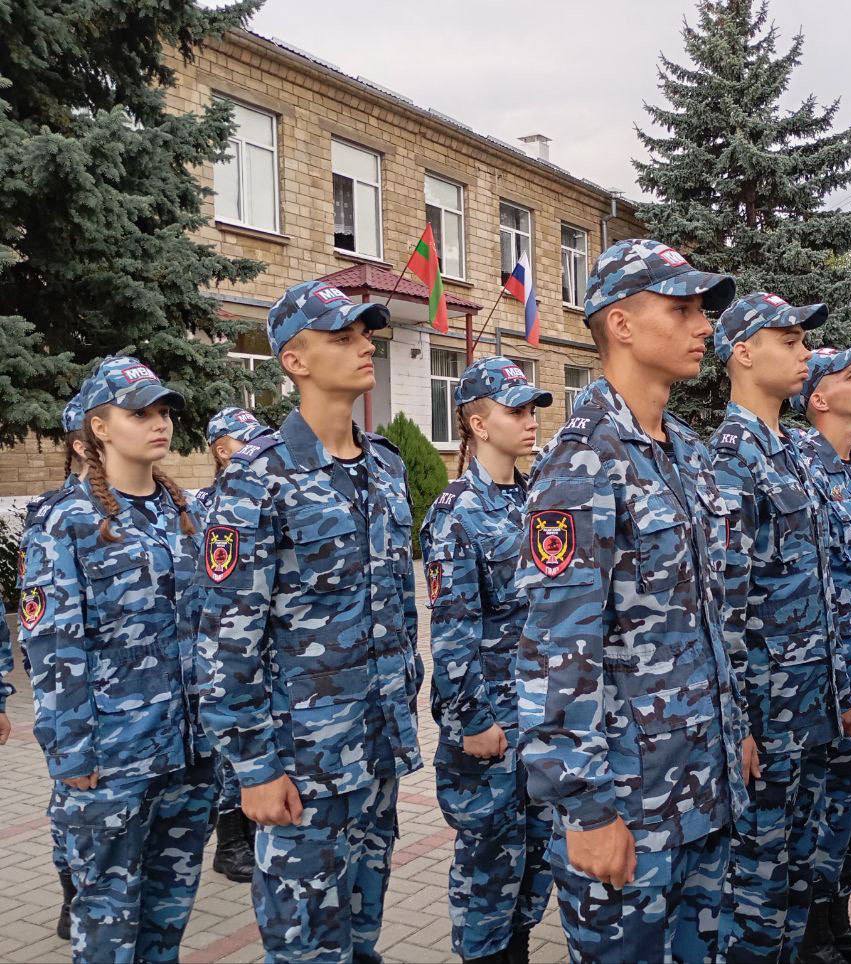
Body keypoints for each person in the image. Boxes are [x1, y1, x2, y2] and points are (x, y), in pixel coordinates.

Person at [515, 239, 747, 964]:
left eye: (703, 311)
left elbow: (707, 614)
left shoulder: (686, 451)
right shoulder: (581, 460)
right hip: (628, 800)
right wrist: (585, 808)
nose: (703, 326)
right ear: (620, 324)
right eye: (681, 310)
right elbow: (558, 648)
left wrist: (734, 730)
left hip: (702, 784)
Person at [196, 280, 424, 963]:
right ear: (294, 361)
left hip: (376, 751)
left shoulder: (384, 466)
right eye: (342, 337)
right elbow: (227, 640)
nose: (365, 347)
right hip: (301, 766)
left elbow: (400, 609)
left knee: (362, 938)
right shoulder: (257, 477)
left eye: (365, 334)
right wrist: (253, 768)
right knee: (304, 949)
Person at [17, 356, 214, 963]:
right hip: (112, 762)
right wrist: (72, 753)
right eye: (139, 413)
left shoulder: (186, 513)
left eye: (164, 412)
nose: (159, 423)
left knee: (166, 924)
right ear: (99, 428)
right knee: (107, 930)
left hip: (190, 755)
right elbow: (54, 647)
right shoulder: (67, 521)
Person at [710, 293, 851, 963]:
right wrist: (737, 723)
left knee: (799, 867)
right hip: (768, 717)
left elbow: (822, 586)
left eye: (804, 341)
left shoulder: (792, 451)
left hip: (811, 707)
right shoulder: (732, 459)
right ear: (743, 353)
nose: (805, 353)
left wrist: (839, 691)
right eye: (789, 341)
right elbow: (727, 605)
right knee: (756, 883)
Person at [421, 357, 555, 964]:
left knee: (536, 863)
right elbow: (452, 634)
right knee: (488, 871)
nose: (530, 421)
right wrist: (472, 720)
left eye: (532, 410)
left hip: (542, 718)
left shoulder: (538, 501)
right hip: (493, 724)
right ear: (477, 424)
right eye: (515, 410)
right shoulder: (457, 512)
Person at [791, 343, 851, 964]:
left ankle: (837, 917)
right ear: (819, 399)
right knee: (820, 810)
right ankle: (811, 933)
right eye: (850, 375)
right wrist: (840, 685)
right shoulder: (804, 471)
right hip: (829, 678)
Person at [16, 390, 92, 940]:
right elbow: (40, 625)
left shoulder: (162, 508)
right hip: (73, 699)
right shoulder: (54, 515)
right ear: (82, 444)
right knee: (68, 801)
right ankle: (72, 893)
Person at [198, 406, 275, 885]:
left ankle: (246, 833)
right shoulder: (212, 504)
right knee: (231, 750)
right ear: (222, 449)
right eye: (245, 441)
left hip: (264, 647)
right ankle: (230, 844)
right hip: (225, 643)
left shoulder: (260, 494)